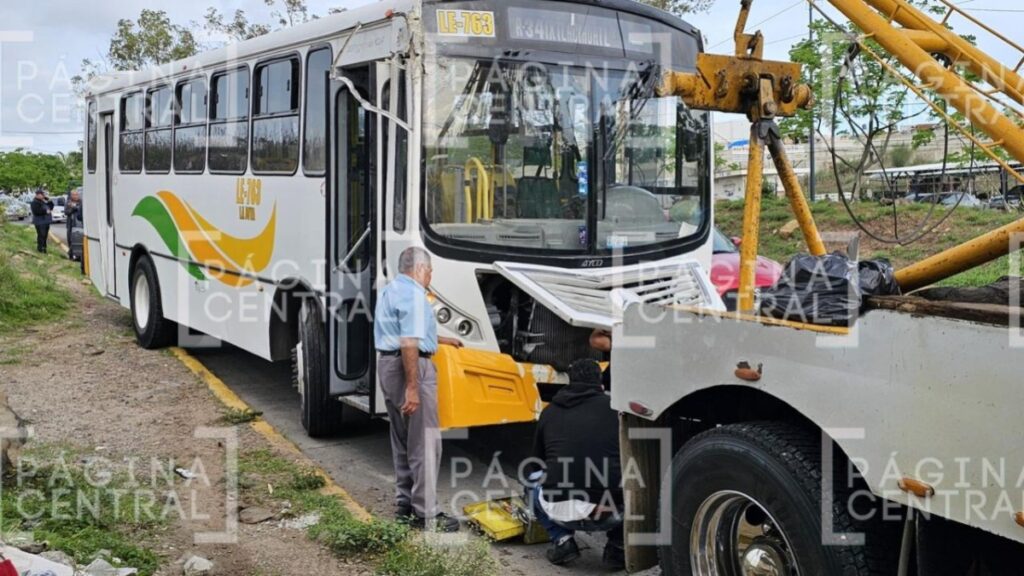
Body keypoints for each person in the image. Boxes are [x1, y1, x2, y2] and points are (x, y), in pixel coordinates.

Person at [373, 246, 463, 532]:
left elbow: (402, 331)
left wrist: (440, 340)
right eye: (431, 270)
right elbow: (409, 341)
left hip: (387, 367)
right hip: (410, 369)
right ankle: (427, 513)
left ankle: (405, 504)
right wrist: (413, 387)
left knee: (401, 439)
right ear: (421, 269)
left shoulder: (390, 290)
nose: (431, 276)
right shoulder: (414, 294)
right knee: (425, 443)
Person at [527, 359, 624, 569]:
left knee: (531, 481)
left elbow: (536, 465)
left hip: (557, 510)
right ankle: (617, 548)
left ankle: (563, 540)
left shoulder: (549, 411)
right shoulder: (617, 410)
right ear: (600, 383)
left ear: (569, 382)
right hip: (607, 511)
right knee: (637, 482)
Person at [65, 188, 82, 257]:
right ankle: (71, 255)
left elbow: (80, 209)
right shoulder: (68, 202)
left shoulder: (81, 202)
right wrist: (72, 209)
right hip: (70, 223)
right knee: (70, 239)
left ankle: (77, 255)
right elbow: (66, 212)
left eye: (76, 194)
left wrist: (74, 207)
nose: (75, 196)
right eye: (73, 195)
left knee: (78, 239)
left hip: (79, 224)